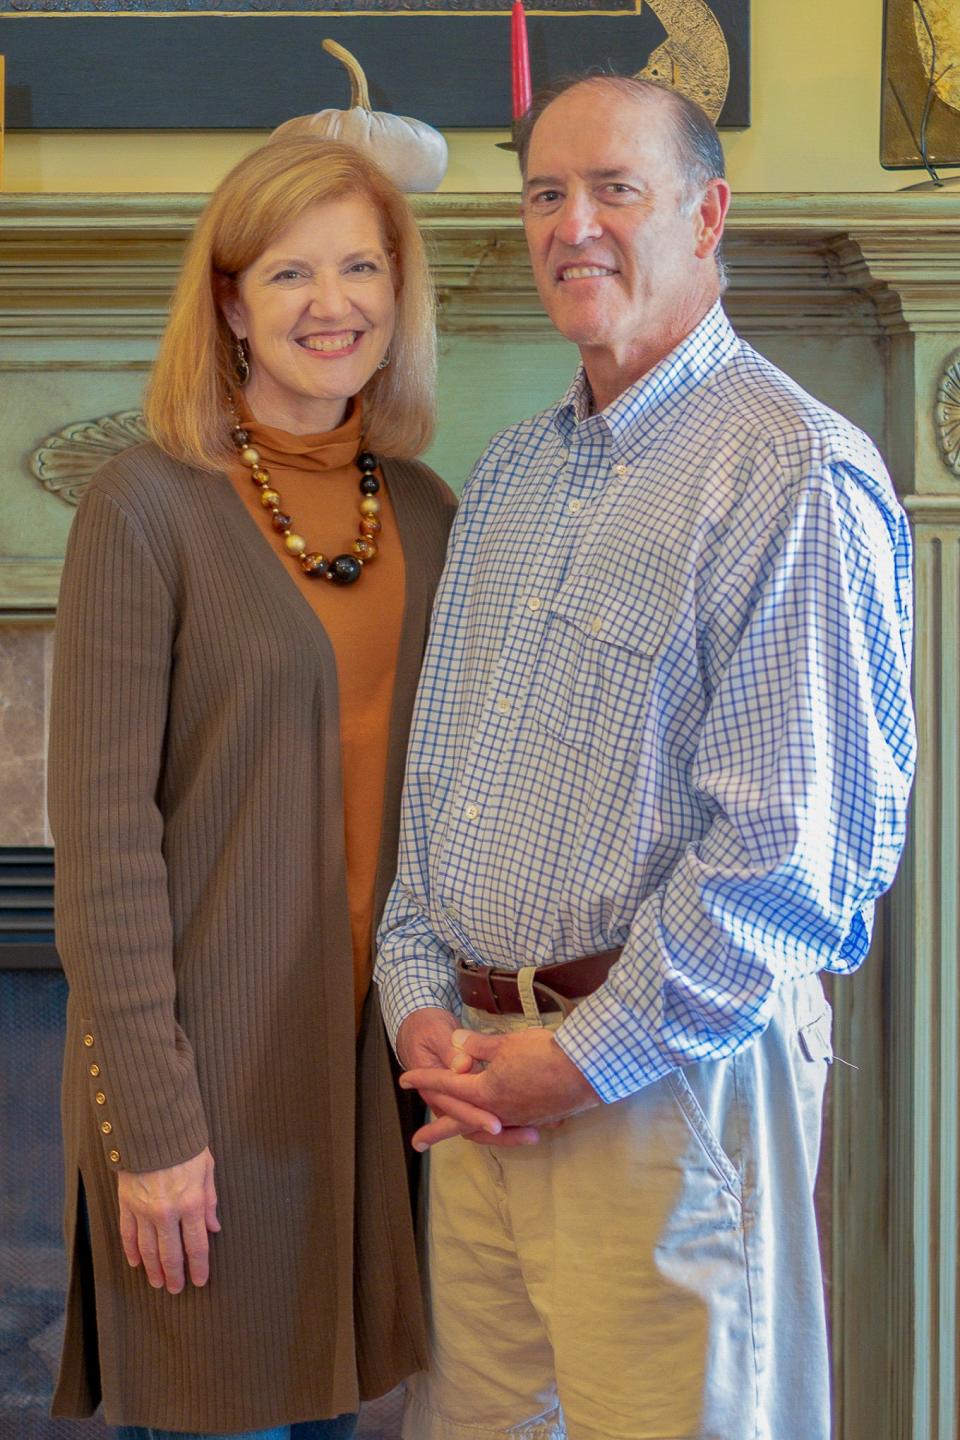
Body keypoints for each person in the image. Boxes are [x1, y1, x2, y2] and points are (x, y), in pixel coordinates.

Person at [375, 76, 916, 1440]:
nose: (575, 226)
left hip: (669, 1093)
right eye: (546, 193)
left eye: (616, 188)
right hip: (480, 1097)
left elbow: (789, 863)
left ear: (707, 213)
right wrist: (417, 1009)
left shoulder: (789, 470)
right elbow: (439, 793)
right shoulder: (506, 480)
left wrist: (584, 1059)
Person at [47, 135, 461, 1440]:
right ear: (229, 302)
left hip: (378, 1088)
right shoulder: (144, 508)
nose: (330, 303)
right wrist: (155, 1130)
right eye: (288, 272)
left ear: (399, 293)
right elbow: (105, 845)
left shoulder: (438, 514)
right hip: (207, 1091)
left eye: (359, 266)